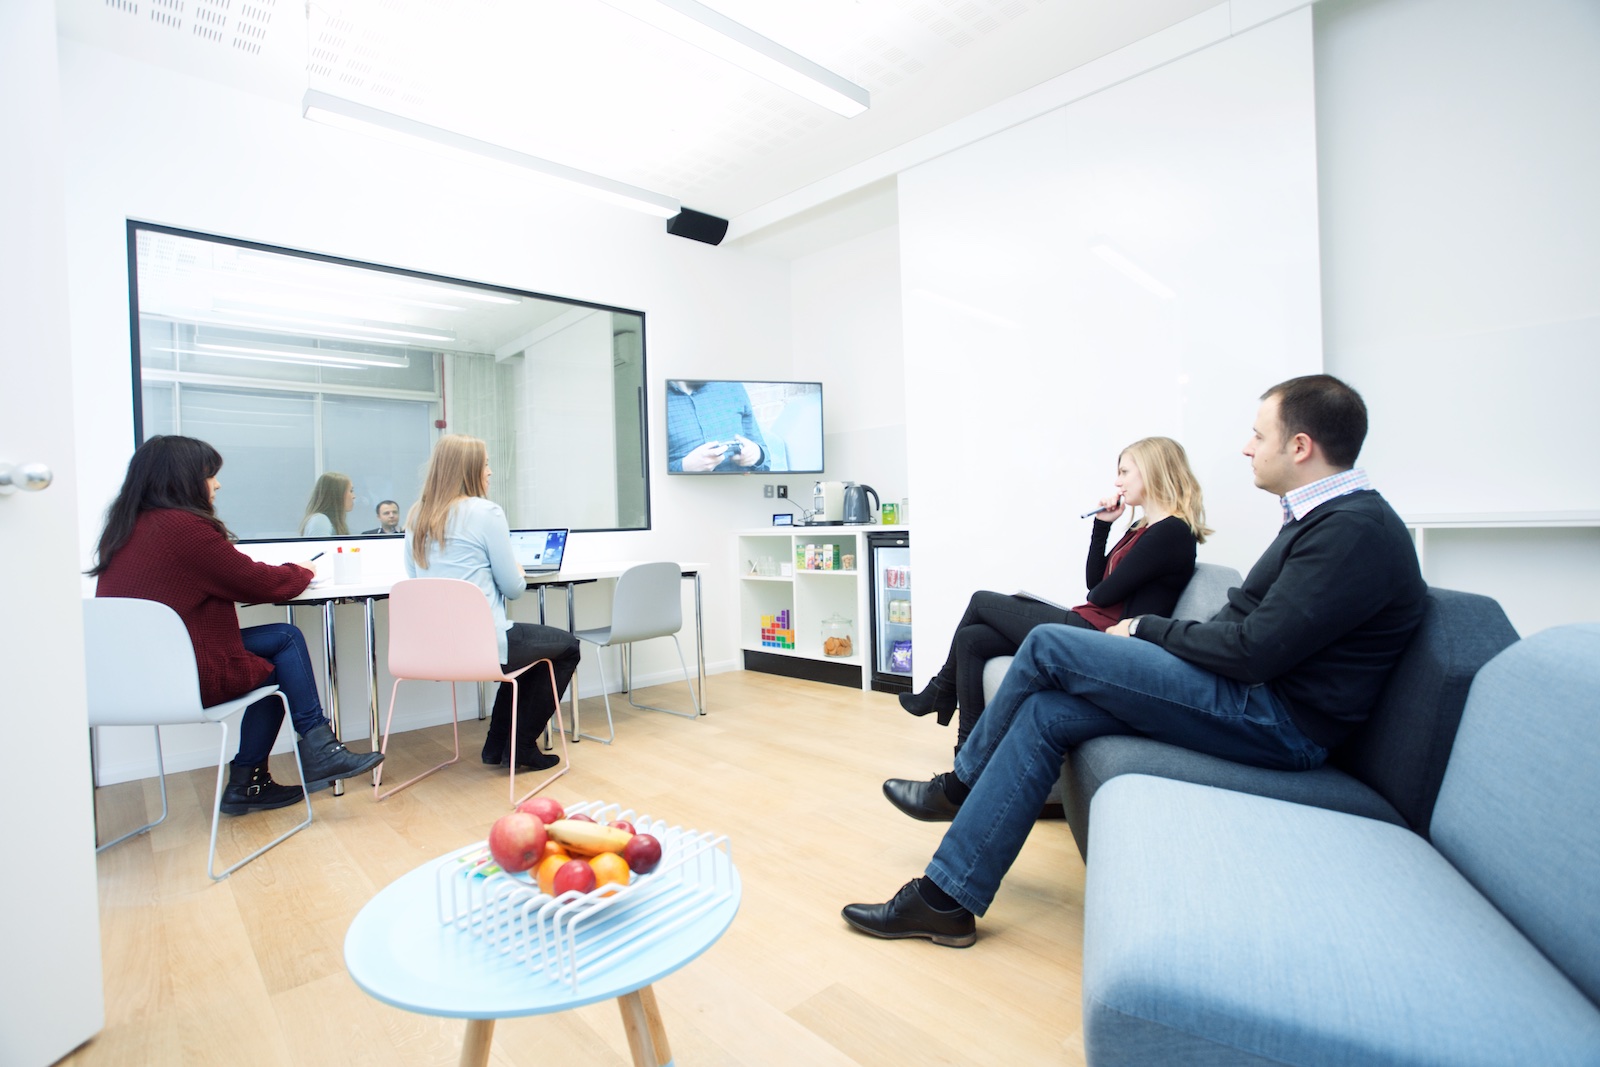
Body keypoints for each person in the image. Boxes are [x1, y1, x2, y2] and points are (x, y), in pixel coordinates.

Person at [843, 375, 1427, 947]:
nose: (1247, 447)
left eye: (1258, 435)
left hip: (1277, 721)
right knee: (1048, 710)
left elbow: (1252, 651)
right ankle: (946, 900)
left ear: (1299, 447)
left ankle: (961, 782)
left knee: (1048, 643)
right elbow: (1243, 626)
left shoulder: (1353, 531)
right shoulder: (1321, 519)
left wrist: (1147, 630)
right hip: (1252, 697)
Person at [91, 436, 385, 813]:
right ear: (183, 479)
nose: (217, 484)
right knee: (285, 643)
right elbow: (254, 581)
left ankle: (259, 778)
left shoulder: (125, 529)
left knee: (277, 654)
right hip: (180, 676)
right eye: (210, 475)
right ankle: (312, 751)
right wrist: (303, 570)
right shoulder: (184, 529)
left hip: (135, 676)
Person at [899, 437, 1210, 755]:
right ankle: (967, 750)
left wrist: (1104, 584)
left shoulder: (1171, 532)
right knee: (972, 639)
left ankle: (940, 689)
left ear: (1152, 471)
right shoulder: (1143, 528)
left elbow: (1101, 596)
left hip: (1108, 640)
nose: (1117, 481)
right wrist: (1102, 526)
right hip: (1092, 625)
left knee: (982, 600)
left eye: (1124, 471)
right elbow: (1095, 584)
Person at [404, 435, 581, 770]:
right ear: (469, 469)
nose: (490, 471)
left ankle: (496, 746)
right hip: (484, 645)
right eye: (485, 463)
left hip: (439, 647)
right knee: (567, 646)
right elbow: (513, 589)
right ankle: (521, 746)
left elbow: (416, 582)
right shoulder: (486, 512)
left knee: (529, 654)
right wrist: (516, 567)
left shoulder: (417, 517)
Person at [666, 380, 771, 472]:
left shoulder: (732, 386)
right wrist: (684, 467)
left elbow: (765, 459)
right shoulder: (652, 399)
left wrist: (756, 454)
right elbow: (651, 476)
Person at [299, 471, 355, 536]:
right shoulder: (320, 521)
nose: (354, 496)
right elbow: (322, 546)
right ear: (337, 494)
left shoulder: (325, 521)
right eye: (351, 491)